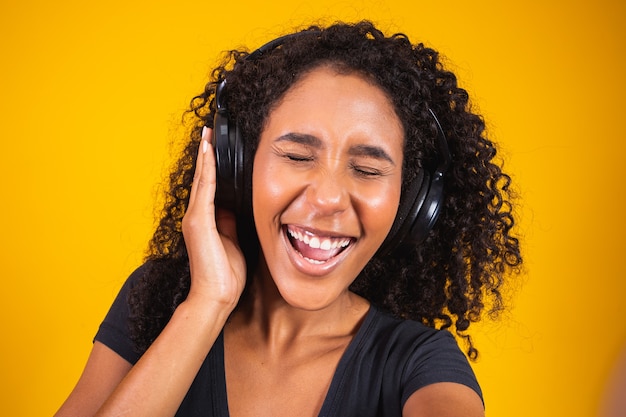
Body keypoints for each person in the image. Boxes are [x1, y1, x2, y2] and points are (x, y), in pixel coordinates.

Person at [55, 20, 522, 417]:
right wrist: (207, 304)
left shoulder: (419, 365)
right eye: (298, 156)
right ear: (238, 167)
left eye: (367, 169)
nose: (328, 198)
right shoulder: (158, 301)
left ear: (412, 203)